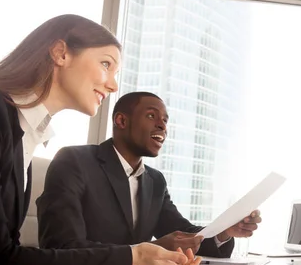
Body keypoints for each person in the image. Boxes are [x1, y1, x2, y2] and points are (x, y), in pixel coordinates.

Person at [0, 14, 200, 265]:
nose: (113, 85)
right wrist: (134, 257)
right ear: (60, 53)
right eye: (106, 64)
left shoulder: (22, 137)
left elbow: (2, 261)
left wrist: (138, 256)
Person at [37, 92, 261, 256]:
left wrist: (225, 230)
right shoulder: (75, 162)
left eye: (165, 120)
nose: (162, 126)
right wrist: (151, 250)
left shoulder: (155, 181)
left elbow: (183, 235)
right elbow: (62, 247)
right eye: (152, 116)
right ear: (121, 121)